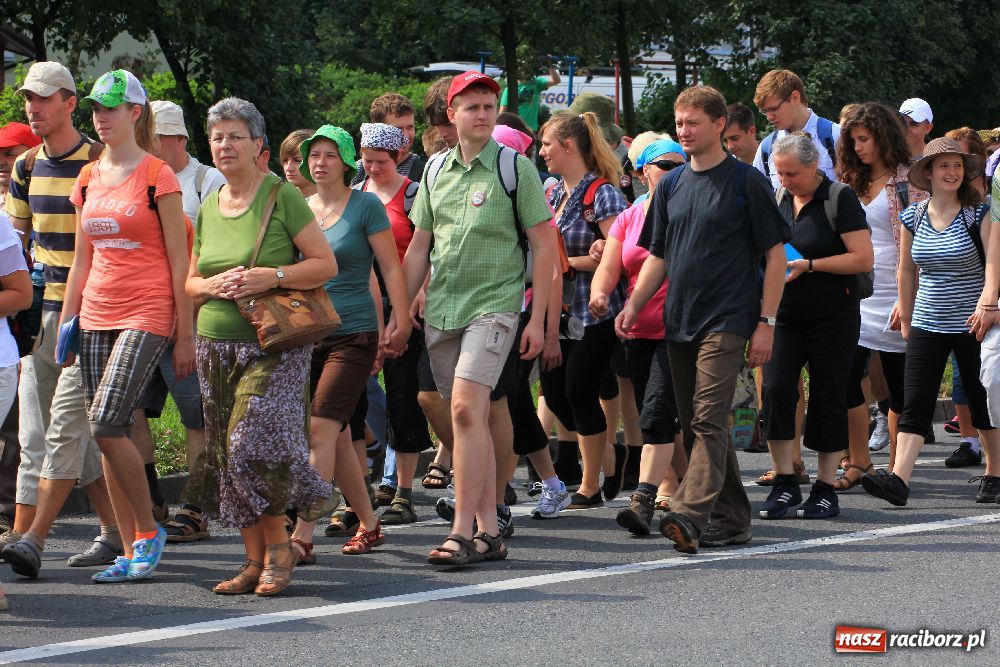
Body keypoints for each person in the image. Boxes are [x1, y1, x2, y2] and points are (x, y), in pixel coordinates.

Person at [394, 71, 553, 565]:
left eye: (489, 106)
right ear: (452, 114)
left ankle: (460, 531)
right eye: (472, 107)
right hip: (444, 308)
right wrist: (398, 313)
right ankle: (489, 529)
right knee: (470, 417)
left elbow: (546, 246)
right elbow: (419, 247)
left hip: (496, 306)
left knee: (465, 409)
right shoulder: (435, 170)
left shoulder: (515, 168)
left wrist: (538, 321)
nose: (482, 115)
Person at [622, 85, 790, 553]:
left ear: (719, 125)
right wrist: (634, 305)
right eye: (679, 123)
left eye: (693, 122)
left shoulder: (746, 182)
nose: (684, 131)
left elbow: (775, 256)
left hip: (729, 317)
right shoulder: (671, 185)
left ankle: (689, 514)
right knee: (697, 424)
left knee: (708, 416)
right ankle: (733, 518)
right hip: (679, 318)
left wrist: (766, 322)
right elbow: (659, 255)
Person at [185, 97, 336, 596]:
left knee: (248, 443)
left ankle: (279, 547)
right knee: (227, 455)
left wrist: (270, 276)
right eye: (217, 137)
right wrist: (211, 285)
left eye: (236, 136)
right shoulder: (210, 205)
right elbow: (190, 281)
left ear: (258, 146)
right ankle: (253, 560)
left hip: (274, 344)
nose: (225, 145)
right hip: (215, 344)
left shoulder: (281, 195)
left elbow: (324, 265)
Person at [45, 70, 191, 584]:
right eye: (96, 108)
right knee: (112, 432)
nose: (101, 117)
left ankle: (149, 529)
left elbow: (180, 259)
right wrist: (67, 324)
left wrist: (185, 333)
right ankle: (129, 550)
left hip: (148, 310)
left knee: (106, 424)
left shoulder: (157, 174)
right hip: (95, 313)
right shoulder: (88, 176)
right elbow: (82, 260)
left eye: (112, 107)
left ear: (135, 113)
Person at [1, 61, 120, 573]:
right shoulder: (26, 166)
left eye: (45, 98)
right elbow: (16, 243)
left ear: (71, 103)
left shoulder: (100, 161)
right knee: (48, 428)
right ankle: (111, 531)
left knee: (65, 429)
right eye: (30, 98)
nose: (35, 107)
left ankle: (29, 537)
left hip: (95, 311)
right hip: (43, 313)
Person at [288, 124, 410, 563]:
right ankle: (370, 524)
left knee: (321, 429)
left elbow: (389, 268)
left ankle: (302, 536)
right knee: (337, 437)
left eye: (329, 155)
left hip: (354, 333)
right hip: (307, 334)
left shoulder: (365, 205)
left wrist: (399, 320)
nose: (319, 163)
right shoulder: (299, 208)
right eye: (313, 155)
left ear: (345, 162)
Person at [865, 137, 999, 505]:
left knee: (981, 400)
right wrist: (907, 316)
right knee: (915, 402)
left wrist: (989, 304)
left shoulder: (979, 214)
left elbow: (993, 262)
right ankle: (899, 481)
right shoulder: (914, 215)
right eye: (944, 166)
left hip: (973, 323)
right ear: (928, 172)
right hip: (927, 321)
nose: (952, 172)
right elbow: (906, 269)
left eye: (957, 165)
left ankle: (995, 473)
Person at [757, 132, 873, 520]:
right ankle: (786, 480)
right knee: (776, 389)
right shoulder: (778, 199)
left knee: (828, 394)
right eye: (780, 173)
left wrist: (809, 265)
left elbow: (862, 258)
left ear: (813, 166)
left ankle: (825, 488)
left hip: (833, 315)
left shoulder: (839, 198)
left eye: (791, 173)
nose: (785, 180)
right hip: (785, 315)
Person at [132, 99, 225, 541]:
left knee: (196, 418)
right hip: (141, 315)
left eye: (153, 138)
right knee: (128, 411)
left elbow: (215, 252)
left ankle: (195, 508)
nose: (147, 145)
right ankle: (151, 500)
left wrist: (191, 318)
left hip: (190, 317)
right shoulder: (135, 177)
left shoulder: (207, 181)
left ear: (178, 138)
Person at [590, 138, 690, 535]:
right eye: (666, 165)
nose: (675, 171)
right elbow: (610, 266)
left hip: (679, 330)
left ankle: (645, 497)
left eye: (681, 164)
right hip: (637, 331)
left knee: (657, 414)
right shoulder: (629, 217)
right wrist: (599, 293)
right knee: (662, 417)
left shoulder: (688, 210)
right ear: (643, 171)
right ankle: (695, 489)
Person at [538, 110, 629, 508]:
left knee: (579, 390)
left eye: (547, 144)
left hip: (595, 311)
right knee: (555, 393)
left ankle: (589, 486)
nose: (542, 152)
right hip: (557, 311)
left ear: (568, 146)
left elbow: (620, 253)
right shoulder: (551, 193)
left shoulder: (602, 193)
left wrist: (571, 263)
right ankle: (610, 456)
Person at [836, 102, 926, 490]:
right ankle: (860, 461)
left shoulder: (911, 180)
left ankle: (894, 472)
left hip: (897, 291)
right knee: (845, 378)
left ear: (884, 136)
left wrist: (908, 299)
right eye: (853, 141)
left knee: (897, 388)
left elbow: (922, 243)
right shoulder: (850, 179)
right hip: (857, 293)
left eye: (864, 139)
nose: (857, 148)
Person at [352, 122, 431, 525]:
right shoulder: (355, 195)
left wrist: (418, 293)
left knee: (403, 395)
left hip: (405, 299)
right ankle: (360, 488)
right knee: (356, 396)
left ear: (397, 158)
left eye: (380, 162)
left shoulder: (414, 195)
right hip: (361, 302)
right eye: (366, 161)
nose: (373, 168)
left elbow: (427, 248)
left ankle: (403, 491)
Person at [0, 121, 41, 537]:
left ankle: (12, 514)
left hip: (19, 340)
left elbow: (20, 292)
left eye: (9, 155)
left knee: (22, 435)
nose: (1, 163)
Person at [752, 69, 839, 188]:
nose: (769, 117)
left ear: (795, 97)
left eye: (774, 109)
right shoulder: (766, 149)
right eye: (765, 111)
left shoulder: (835, 136)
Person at [351, 94, 425, 184]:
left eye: (410, 127)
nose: (405, 135)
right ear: (378, 129)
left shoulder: (424, 171)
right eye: (398, 129)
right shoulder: (359, 171)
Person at [499, 64, 560, 132]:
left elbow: (556, 81)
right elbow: (502, 113)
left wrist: (550, 66)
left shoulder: (536, 83)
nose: (527, 71)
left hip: (531, 129)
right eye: (522, 69)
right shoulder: (509, 90)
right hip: (515, 129)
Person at [278, 129, 316, 198]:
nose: (288, 168)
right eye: (285, 160)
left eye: (297, 160)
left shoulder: (335, 201)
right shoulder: (276, 199)